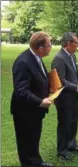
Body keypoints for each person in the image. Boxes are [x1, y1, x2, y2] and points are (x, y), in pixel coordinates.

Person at [11, 31, 53, 166]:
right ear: (40, 48)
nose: (51, 47)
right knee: (25, 141)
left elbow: (39, 78)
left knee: (34, 138)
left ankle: (37, 162)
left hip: (35, 110)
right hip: (25, 111)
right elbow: (21, 91)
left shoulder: (36, 57)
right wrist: (40, 101)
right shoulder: (23, 62)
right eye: (49, 45)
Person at [51, 32, 78, 161]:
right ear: (68, 43)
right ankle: (62, 150)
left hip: (73, 96)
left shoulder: (72, 56)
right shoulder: (59, 58)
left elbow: (74, 75)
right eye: (76, 42)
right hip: (64, 98)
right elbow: (60, 81)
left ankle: (71, 144)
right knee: (64, 123)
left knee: (73, 121)